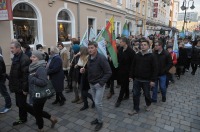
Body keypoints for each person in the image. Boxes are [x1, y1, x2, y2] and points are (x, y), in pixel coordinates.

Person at [80, 41, 112, 131]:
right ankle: (98, 118)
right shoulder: (88, 58)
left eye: (92, 48)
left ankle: (100, 121)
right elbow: (89, 70)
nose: (89, 50)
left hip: (99, 84)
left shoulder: (101, 58)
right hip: (91, 83)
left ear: (96, 48)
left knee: (98, 103)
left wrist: (101, 83)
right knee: (95, 102)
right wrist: (84, 71)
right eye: (89, 48)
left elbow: (108, 72)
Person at [29, 50, 58, 131]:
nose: (31, 58)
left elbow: (43, 82)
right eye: (32, 56)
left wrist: (32, 78)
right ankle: (51, 118)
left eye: (34, 57)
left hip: (39, 94)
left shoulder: (40, 68)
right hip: (36, 93)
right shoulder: (34, 66)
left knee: (37, 113)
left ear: (39, 58)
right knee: (38, 111)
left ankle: (41, 128)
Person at [128, 39, 157, 115]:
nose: (143, 46)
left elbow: (155, 69)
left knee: (147, 94)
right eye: (141, 45)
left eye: (145, 45)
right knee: (135, 94)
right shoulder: (137, 55)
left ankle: (148, 104)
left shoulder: (152, 56)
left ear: (148, 46)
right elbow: (133, 66)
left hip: (147, 80)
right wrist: (131, 75)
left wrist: (153, 80)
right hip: (137, 79)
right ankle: (135, 109)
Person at [9, 41, 32, 125]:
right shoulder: (16, 56)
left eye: (12, 48)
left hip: (22, 87)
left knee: (22, 105)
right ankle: (23, 118)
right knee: (19, 104)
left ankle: (41, 115)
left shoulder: (24, 58)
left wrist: (25, 89)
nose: (11, 50)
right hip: (17, 86)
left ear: (18, 48)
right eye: (10, 48)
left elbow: (26, 76)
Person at [115, 37, 135, 107]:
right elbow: (118, 59)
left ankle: (119, 99)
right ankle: (127, 95)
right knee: (125, 84)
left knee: (123, 85)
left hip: (127, 72)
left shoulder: (131, 52)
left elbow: (133, 64)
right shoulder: (120, 49)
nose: (119, 43)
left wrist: (131, 75)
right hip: (121, 71)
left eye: (120, 42)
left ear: (125, 42)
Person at [78, 46, 95, 111]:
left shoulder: (88, 58)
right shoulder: (81, 57)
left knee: (84, 92)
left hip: (87, 77)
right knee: (82, 92)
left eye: (80, 50)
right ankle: (86, 104)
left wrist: (84, 69)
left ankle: (94, 101)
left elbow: (90, 69)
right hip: (82, 76)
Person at [0, 48, 12, 113]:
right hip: (2, 78)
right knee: (4, 92)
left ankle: (8, 106)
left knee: (4, 92)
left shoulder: (0, 58)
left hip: (1, 79)